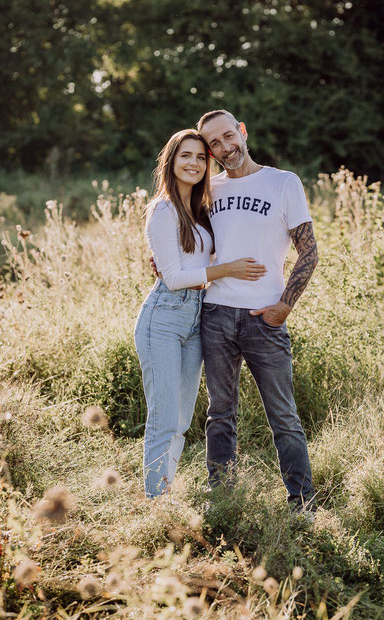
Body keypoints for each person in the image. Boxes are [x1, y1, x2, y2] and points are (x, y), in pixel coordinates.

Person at [196, 110, 319, 513]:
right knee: (220, 414)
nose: (224, 148)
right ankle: (223, 500)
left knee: (283, 416)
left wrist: (284, 306)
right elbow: (191, 245)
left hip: (263, 319)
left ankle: (302, 503)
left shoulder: (283, 183)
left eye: (228, 136)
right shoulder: (206, 189)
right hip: (214, 314)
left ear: (242, 132)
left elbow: (309, 251)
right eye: (213, 143)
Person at [134, 128, 266, 499]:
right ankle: (154, 504)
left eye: (200, 157)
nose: (193, 163)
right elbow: (174, 278)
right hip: (163, 317)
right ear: (171, 162)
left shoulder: (197, 209)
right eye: (185, 156)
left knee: (180, 420)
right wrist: (228, 270)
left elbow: (188, 261)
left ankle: (163, 490)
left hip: (195, 317)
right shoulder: (162, 209)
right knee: (163, 420)